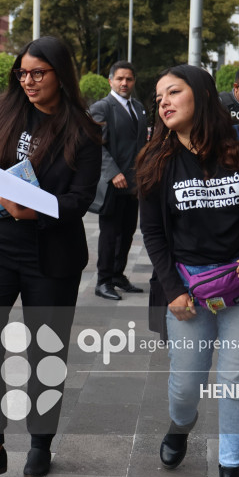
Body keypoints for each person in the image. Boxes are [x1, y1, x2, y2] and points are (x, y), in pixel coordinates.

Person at [137, 65, 239, 477]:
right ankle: (180, 424)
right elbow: (152, 232)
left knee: (235, 378)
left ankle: (230, 470)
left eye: (173, 92)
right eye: (159, 97)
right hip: (189, 288)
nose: (163, 102)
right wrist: (172, 290)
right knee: (186, 384)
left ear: (203, 95)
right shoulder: (156, 157)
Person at [0, 36, 101, 477]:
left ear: (61, 74)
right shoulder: (6, 110)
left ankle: (40, 444)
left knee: (46, 349)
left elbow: (79, 201)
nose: (28, 81)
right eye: (23, 73)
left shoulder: (84, 132)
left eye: (38, 73)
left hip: (51, 253)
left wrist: (32, 209)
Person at [89, 61, 148, 301]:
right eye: (120, 78)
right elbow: (94, 145)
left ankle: (117, 275)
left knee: (127, 232)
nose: (124, 83)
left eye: (129, 79)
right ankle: (103, 281)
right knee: (110, 234)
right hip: (112, 184)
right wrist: (113, 172)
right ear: (110, 81)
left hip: (134, 184)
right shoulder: (101, 108)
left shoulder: (139, 107)